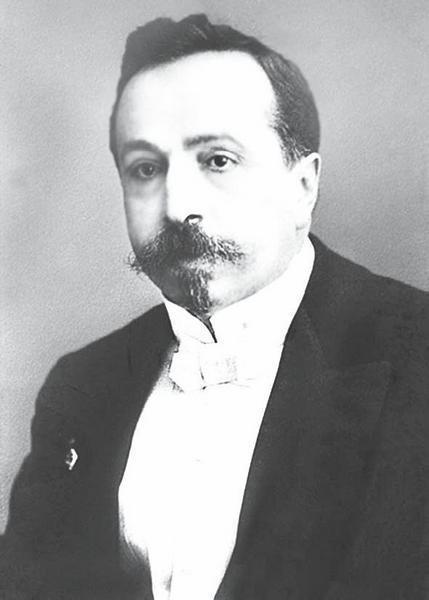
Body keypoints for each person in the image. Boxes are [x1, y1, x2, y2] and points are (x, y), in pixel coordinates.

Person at [1, 13, 428, 600]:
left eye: (218, 159)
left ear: (303, 186)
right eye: (146, 169)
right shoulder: (83, 385)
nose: (177, 206)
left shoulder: (417, 358)